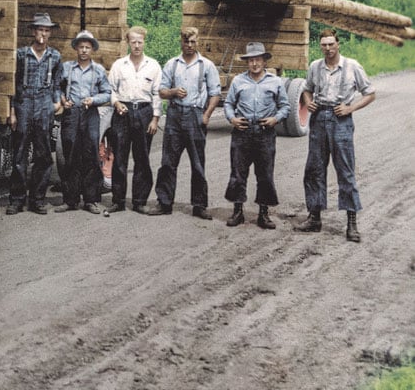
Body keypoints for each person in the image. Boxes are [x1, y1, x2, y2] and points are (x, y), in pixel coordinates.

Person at [295, 29, 375, 242]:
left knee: (345, 171)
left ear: (338, 44)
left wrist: (351, 109)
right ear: (320, 46)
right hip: (319, 118)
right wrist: (308, 100)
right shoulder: (315, 66)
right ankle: (314, 217)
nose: (328, 49)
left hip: (341, 120)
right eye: (324, 45)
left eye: (331, 44)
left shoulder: (352, 66)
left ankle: (351, 223)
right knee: (314, 169)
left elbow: (370, 93)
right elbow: (307, 88)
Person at [156, 26, 222, 219]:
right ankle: (164, 202)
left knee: (197, 163)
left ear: (198, 42)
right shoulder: (172, 64)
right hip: (175, 115)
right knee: (168, 162)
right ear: (181, 42)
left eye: (193, 41)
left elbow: (215, 93)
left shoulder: (207, 65)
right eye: (186, 41)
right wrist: (174, 92)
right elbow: (161, 91)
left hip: (195, 115)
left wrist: (207, 115)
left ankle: (199, 205)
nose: (190, 45)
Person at [223, 42, 289, 229]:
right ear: (247, 62)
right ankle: (237, 211)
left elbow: (285, 106)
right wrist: (232, 119)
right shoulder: (238, 81)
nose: (254, 64)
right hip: (242, 132)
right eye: (251, 60)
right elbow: (228, 104)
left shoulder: (274, 81)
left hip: (265, 133)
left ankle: (264, 213)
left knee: (265, 174)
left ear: (264, 61)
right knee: (238, 173)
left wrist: (275, 119)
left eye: (257, 60)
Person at [6, 13, 62, 215]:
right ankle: (17, 200)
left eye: (47, 30)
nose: (43, 34)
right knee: (19, 154)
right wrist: (12, 111)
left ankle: (37, 200)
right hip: (23, 104)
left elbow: (57, 83)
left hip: (44, 104)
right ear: (33, 31)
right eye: (40, 29)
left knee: (43, 155)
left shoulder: (54, 56)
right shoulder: (20, 54)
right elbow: (12, 84)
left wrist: (56, 103)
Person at [55, 30, 112, 215]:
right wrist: (63, 100)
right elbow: (56, 87)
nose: (84, 50)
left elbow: (107, 93)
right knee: (70, 155)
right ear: (76, 49)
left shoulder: (99, 70)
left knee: (91, 155)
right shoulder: (67, 68)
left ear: (92, 49)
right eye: (81, 47)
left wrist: (93, 100)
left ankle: (91, 200)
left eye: (88, 47)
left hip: (90, 114)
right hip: (71, 114)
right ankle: (70, 200)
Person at [106, 26, 162, 214]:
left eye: (140, 42)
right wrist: (116, 103)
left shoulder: (153, 65)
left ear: (144, 42)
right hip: (122, 113)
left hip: (144, 112)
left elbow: (157, 94)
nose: (137, 46)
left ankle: (139, 201)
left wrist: (155, 119)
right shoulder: (119, 65)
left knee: (142, 158)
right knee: (120, 158)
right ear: (128, 42)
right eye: (133, 42)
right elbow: (110, 89)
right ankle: (118, 200)